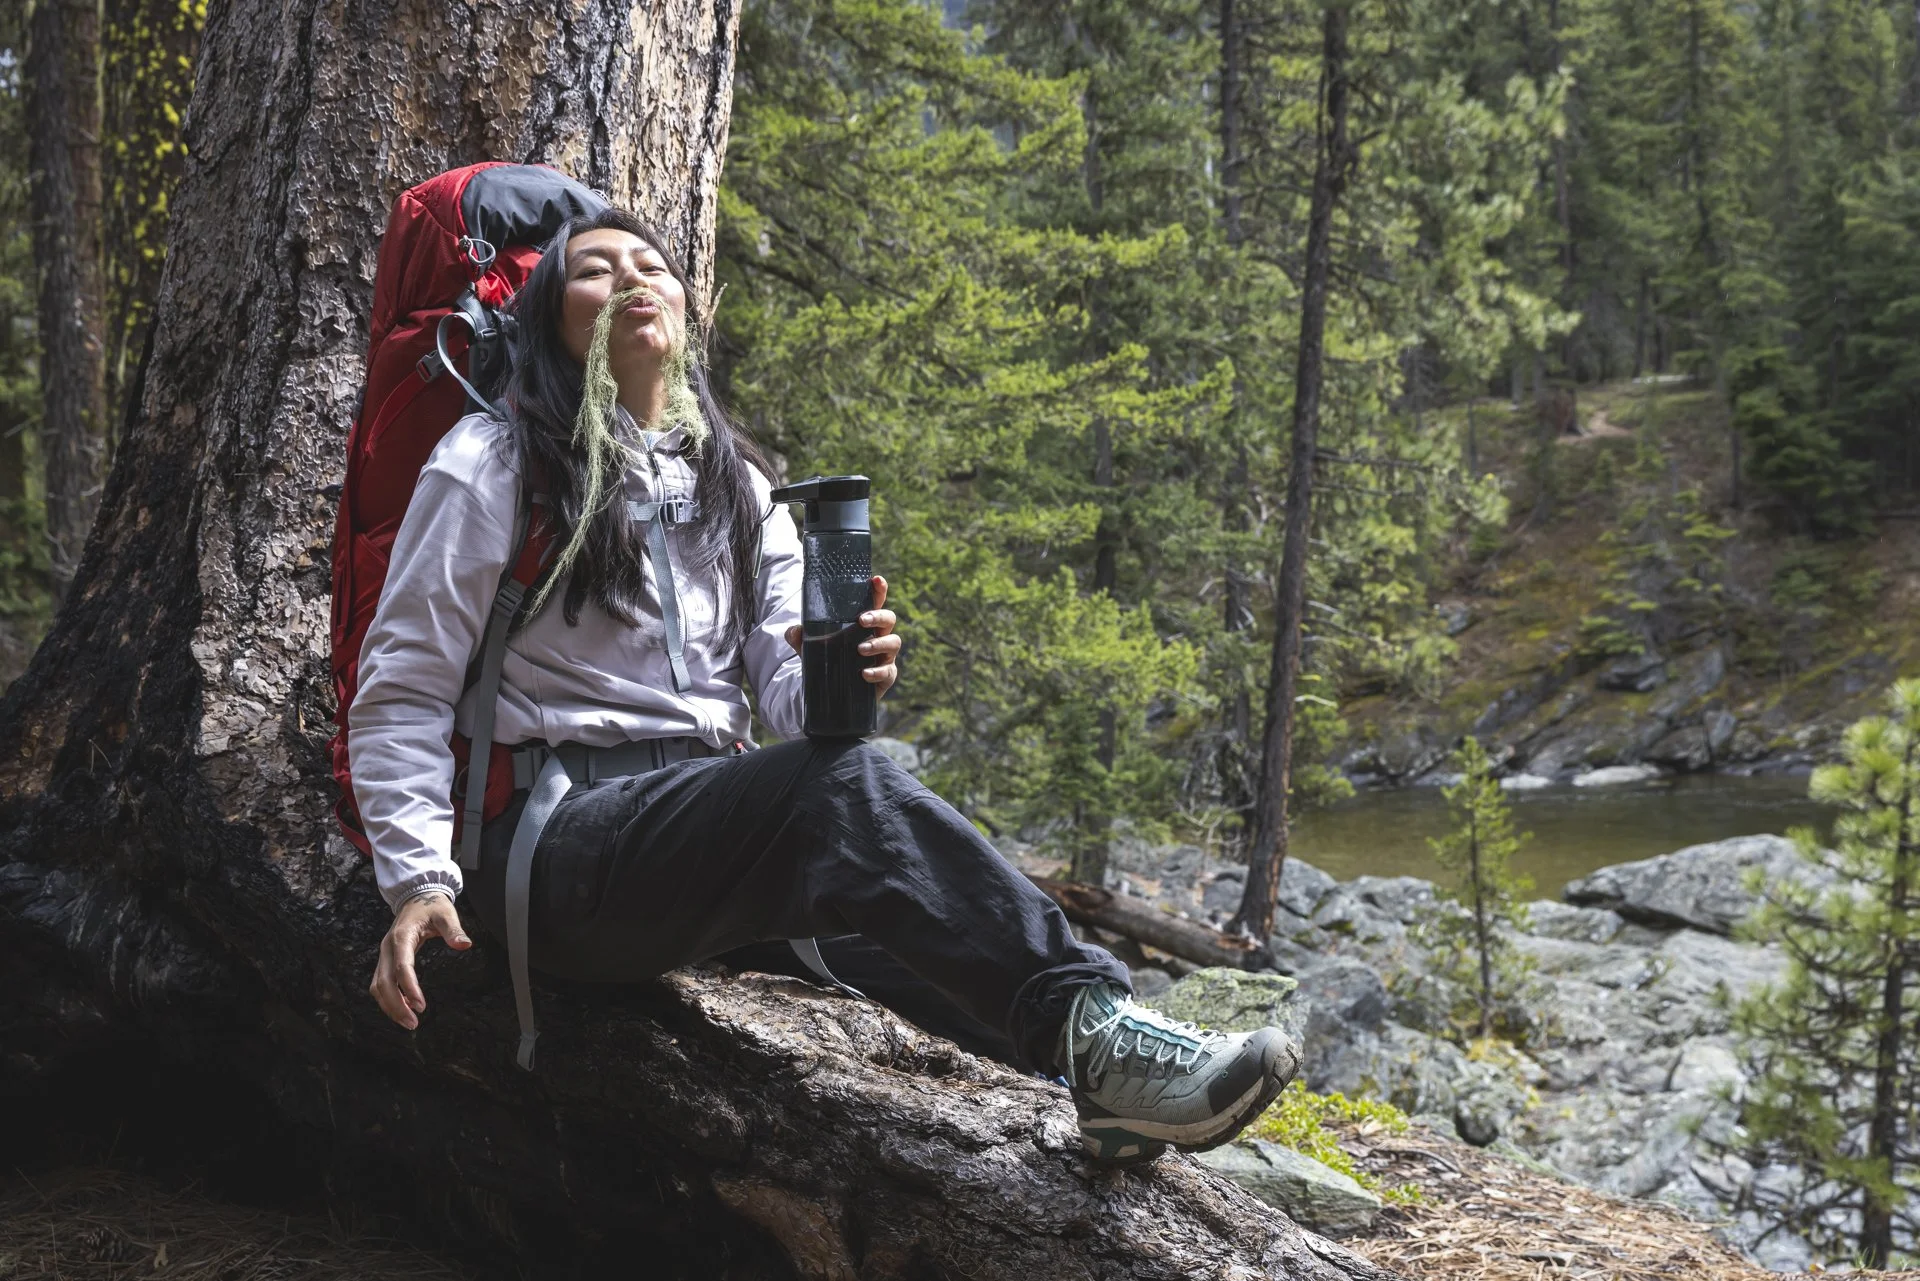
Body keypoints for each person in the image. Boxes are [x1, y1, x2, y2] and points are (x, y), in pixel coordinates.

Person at [350, 205, 1298, 1164]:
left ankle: (1105, 1077)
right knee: (839, 793)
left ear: (686, 307)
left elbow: (795, 704)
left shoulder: (736, 485)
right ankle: (1102, 1042)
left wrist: (846, 671)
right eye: (594, 272)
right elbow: (403, 691)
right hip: (560, 849)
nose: (634, 279)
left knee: (939, 931)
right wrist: (420, 879)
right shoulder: (495, 464)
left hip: (699, 841)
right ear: (552, 320)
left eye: (652, 264)